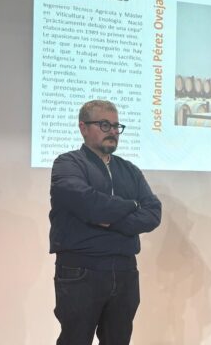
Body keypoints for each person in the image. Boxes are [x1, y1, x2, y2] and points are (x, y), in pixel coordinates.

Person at [49, 100, 162, 345]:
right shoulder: (67, 164)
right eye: (104, 125)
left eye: (116, 126)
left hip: (124, 270)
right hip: (81, 270)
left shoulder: (130, 170)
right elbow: (88, 203)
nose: (112, 131)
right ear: (83, 127)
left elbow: (153, 214)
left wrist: (108, 220)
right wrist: (132, 205)